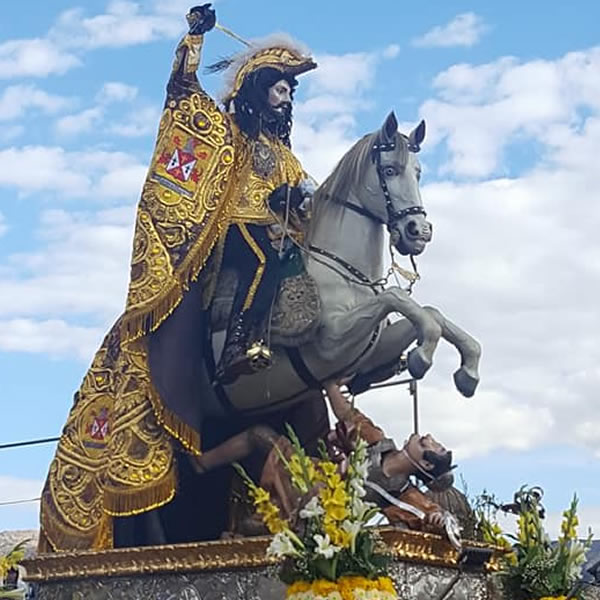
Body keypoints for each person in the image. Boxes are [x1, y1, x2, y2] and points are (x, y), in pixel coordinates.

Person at [155, 4, 317, 383]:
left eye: (290, 93)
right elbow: (182, 91)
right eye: (281, 89)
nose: (287, 99)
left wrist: (296, 196)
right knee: (262, 259)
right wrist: (196, 37)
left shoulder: (282, 151)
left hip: (276, 226)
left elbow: (302, 189)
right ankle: (235, 346)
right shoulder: (228, 129)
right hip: (233, 224)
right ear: (260, 89)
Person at [190, 382, 455, 536]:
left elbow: (443, 520)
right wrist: (327, 381)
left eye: (435, 445)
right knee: (259, 435)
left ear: (427, 464)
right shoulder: (377, 441)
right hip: (312, 473)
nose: (429, 437)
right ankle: (202, 462)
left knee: (259, 527)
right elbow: (346, 412)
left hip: (324, 510)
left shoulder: (402, 492)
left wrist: (441, 521)